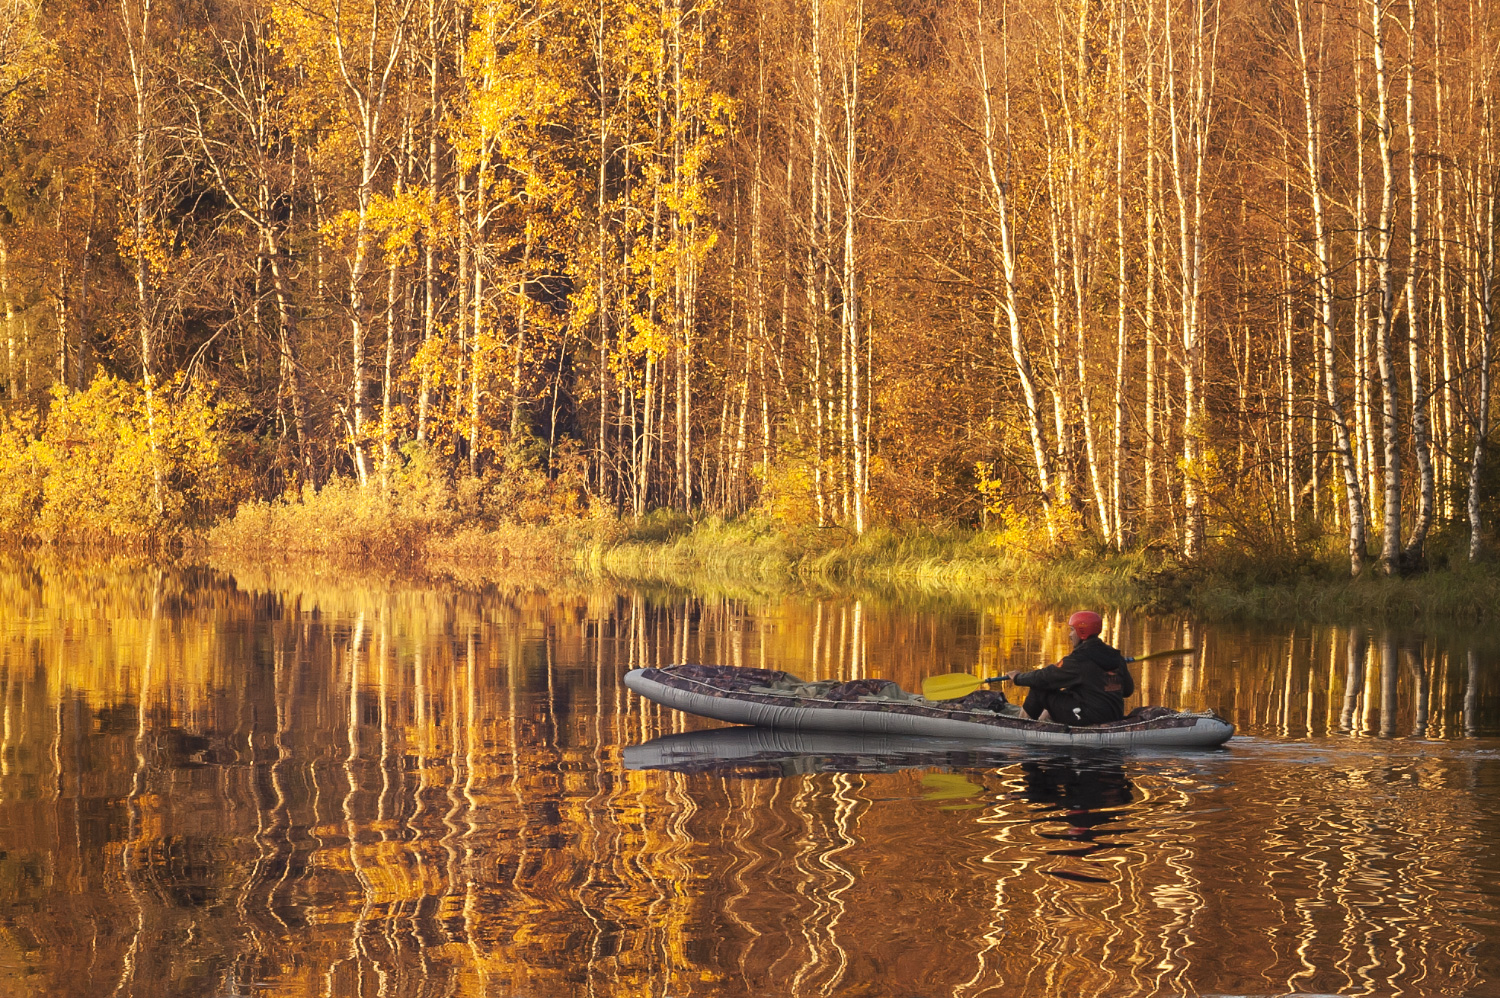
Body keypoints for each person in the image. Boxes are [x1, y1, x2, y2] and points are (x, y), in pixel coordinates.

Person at [1000, 611, 1134, 726]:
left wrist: (1018, 678)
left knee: (1039, 688)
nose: (1070, 635)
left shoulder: (1079, 659)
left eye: (1072, 630)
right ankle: (1043, 723)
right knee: (1062, 693)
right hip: (1114, 714)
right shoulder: (1116, 656)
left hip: (1089, 716)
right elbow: (1128, 690)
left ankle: (1021, 727)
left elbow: (1044, 677)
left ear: (1082, 632)